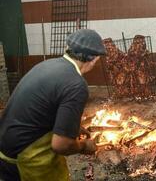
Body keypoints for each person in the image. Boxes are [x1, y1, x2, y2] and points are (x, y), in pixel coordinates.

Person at [0, 29, 106, 181]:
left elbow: (44, 108)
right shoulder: (76, 84)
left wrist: (74, 127)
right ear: (94, 59)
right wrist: (84, 146)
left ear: (67, 49)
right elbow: (60, 145)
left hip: (5, 150)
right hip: (25, 159)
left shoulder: (47, 65)